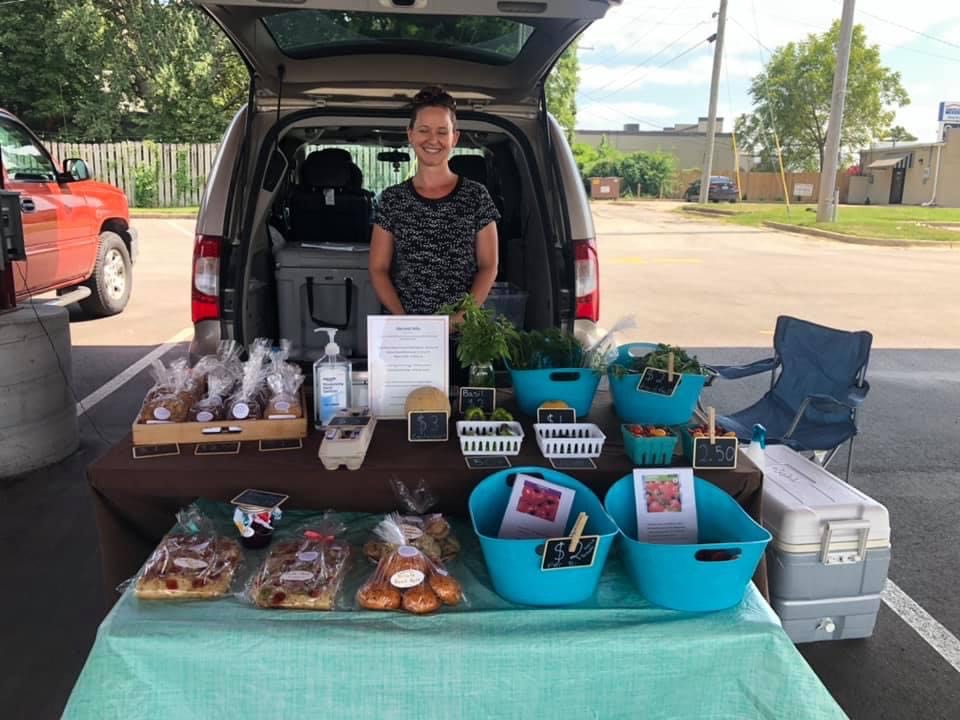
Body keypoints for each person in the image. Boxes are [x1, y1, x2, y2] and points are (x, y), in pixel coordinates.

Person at [369, 86, 501, 330]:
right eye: (424, 130)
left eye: (442, 131)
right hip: (405, 336)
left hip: (465, 337)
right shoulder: (391, 200)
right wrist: (403, 322)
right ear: (410, 135)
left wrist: (460, 318)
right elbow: (378, 269)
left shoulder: (477, 197)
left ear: (455, 138)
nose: (433, 140)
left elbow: (488, 266)